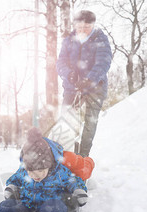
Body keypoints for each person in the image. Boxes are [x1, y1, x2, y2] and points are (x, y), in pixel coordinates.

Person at [56, 10, 112, 157]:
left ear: (93, 25)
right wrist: (70, 74)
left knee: (90, 122)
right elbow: (60, 62)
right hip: (72, 86)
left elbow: (103, 62)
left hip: (95, 87)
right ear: (75, 25)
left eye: (86, 27)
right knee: (66, 119)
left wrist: (89, 79)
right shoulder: (69, 40)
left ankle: (82, 156)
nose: (83, 31)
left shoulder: (100, 39)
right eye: (79, 27)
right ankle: (64, 154)